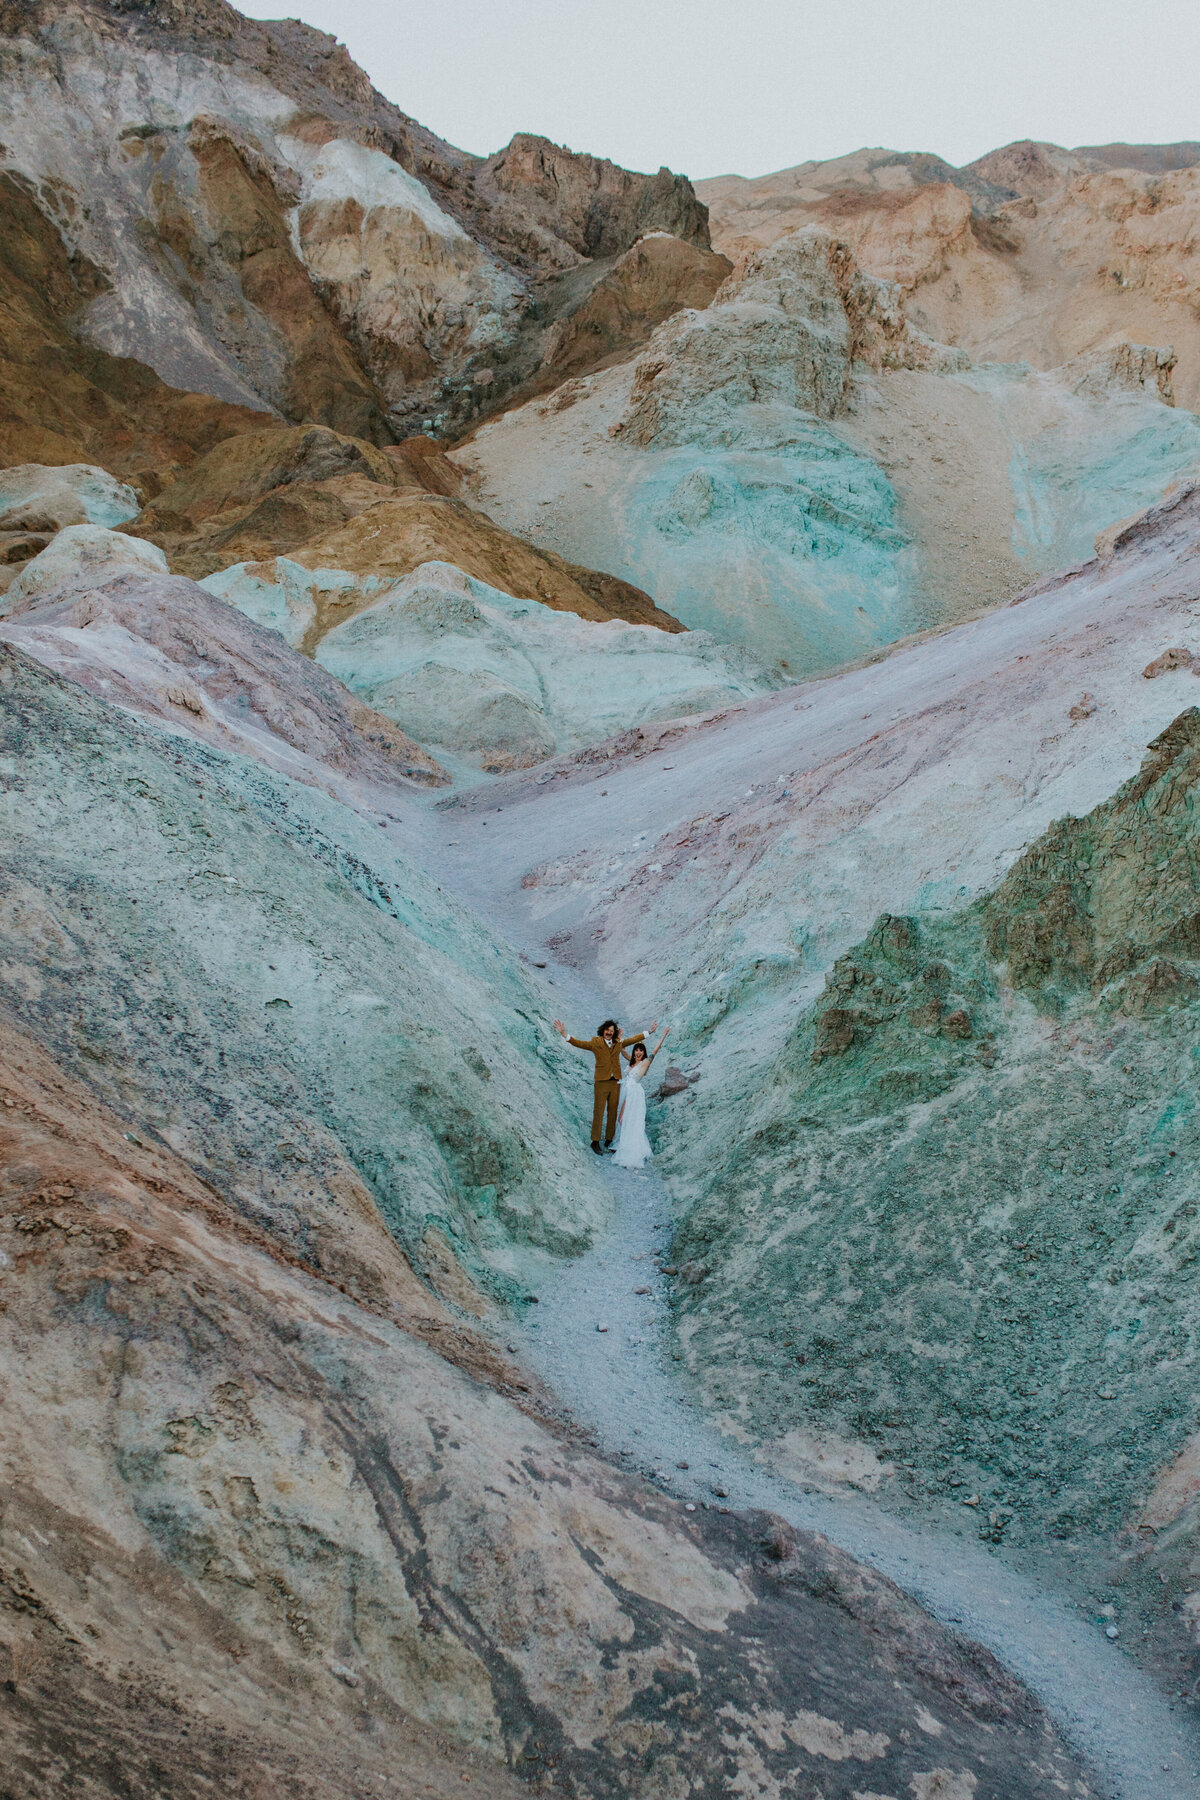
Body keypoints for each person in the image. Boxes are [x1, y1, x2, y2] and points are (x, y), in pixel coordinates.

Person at [553, 1016, 658, 1154]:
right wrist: (564, 1034)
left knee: (613, 1111)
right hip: (601, 1082)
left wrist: (649, 1032)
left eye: (611, 1031)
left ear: (614, 1032)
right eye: (607, 1030)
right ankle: (595, 1141)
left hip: (616, 1082)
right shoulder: (595, 1043)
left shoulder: (617, 1043)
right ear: (603, 1031)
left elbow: (632, 1039)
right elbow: (579, 1043)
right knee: (599, 1111)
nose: (609, 1032)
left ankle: (609, 1140)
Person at [614, 1028, 670, 1168]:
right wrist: (620, 1036)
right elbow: (621, 1049)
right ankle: (623, 1142)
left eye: (641, 1051)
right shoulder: (631, 1061)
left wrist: (663, 1035)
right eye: (636, 1051)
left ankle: (631, 1146)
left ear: (643, 1053)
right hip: (626, 1091)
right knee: (621, 1119)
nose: (638, 1053)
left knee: (630, 1119)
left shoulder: (645, 1063)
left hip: (635, 1093)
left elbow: (655, 1051)